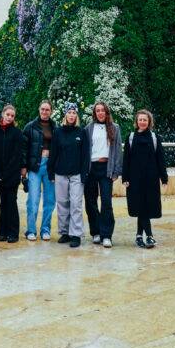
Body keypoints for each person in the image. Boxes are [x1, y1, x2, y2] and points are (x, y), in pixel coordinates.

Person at [122, 109, 169, 248]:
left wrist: (164, 178)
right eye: (140, 119)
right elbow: (126, 160)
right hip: (135, 179)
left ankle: (139, 236)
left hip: (151, 179)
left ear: (149, 122)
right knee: (140, 207)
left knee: (146, 207)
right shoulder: (130, 137)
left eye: (145, 120)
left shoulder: (155, 138)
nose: (142, 122)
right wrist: (125, 177)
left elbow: (160, 159)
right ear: (136, 122)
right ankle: (148, 236)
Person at [48, 102, 89, 249]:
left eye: (74, 113)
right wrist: (50, 171)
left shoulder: (81, 132)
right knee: (62, 203)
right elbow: (53, 153)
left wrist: (84, 174)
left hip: (77, 174)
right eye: (69, 112)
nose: (72, 115)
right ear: (65, 114)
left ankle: (76, 234)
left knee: (76, 204)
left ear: (76, 115)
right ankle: (64, 232)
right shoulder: (58, 132)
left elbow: (85, 155)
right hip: (60, 173)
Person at [84, 101, 122, 249]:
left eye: (102, 110)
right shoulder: (89, 128)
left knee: (106, 202)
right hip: (91, 168)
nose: (100, 113)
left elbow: (118, 150)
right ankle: (96, 232)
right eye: (97, 110)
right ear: (95, 113)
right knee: (90, 201)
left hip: (106, 168)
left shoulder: (115, 128)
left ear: (107, 113)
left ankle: (107, 235)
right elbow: (85, 150)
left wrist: (116, 171)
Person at [0, 104, 26, 243]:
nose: (10, 117)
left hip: (11, 176)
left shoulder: (17, 133)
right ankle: (3, 232)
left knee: (11, 202)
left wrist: (5, 173)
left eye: (12, 115)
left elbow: (16, 156)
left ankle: (13, 233)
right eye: (8, 115)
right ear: (3, 114)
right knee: (2, 203)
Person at [22, 100, 56, 241]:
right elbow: (23, 149)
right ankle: (31, 230)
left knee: (49, 200)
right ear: (39, 109)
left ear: (51, 111)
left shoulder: (55, 127)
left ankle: (45, 229)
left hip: (50, 167)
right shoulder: (30, 127)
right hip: (35, 166)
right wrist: (23, 168)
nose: (44, 112)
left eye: (47, 110)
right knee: (33, 199)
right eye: (42, 109)